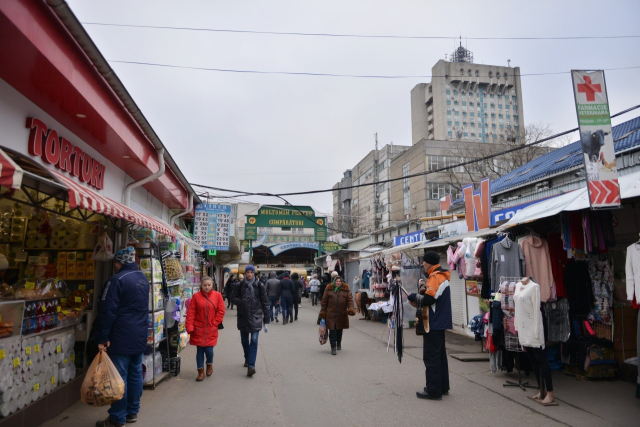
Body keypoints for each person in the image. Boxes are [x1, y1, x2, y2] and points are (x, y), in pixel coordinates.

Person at [94, 247, 149, 427]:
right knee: (135, 375)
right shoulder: (143, 278)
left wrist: (102, 337)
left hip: (120, 336)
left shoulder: (117, 280)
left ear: (118, 262)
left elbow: (107, 311)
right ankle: (132, 412)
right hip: (139, 335)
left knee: (119, 378)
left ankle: (117, 418)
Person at [408, 251, 452, 401]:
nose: (423, 264)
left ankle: (433, 390)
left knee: (431, 357)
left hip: (433, 322)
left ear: (430, 262)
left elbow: (429, 299)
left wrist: (413, 297)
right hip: (440, 321)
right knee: (440, 357)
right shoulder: (442, 276)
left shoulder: (435, 277)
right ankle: (442, 386)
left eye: (424, 262)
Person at [230, 265, 269, 377]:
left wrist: (266, 318)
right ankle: (247, 357)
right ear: (245, 273)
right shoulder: (239, 285)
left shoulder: (259, 285)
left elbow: (265, 302)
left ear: (254, 274)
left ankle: (251, 365)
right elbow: (232, 297)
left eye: (251, 272)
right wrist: (241, 301)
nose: (249, 274)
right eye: (247, 272)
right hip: (243, 316)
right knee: (244, 340)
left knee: (255, 339)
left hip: (256, 315)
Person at [185, 276, 225, 381]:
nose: (206, 287)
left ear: (212, 285)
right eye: (204, 285)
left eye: (209, 285)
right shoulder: (196, 297)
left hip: (211, 329)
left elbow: (221, 311)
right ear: (201, 286)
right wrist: (189, 326)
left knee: (209, 350)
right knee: (199, 351)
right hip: (198, 328)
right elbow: (191, 312)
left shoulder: (217, 296)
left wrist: (215, 322)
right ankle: (200, 371)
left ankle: (209, 364)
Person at [318, 276, 356, 355]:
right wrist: (323, 312)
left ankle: (338, 343)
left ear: (341, 282)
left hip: (341, 313)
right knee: (332, 330)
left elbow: (349, 300)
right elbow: (324, 301)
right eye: (337, 281)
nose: (338, 282)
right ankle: (333, 347)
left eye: (339, 281)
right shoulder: (329, 289)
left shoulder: (346, 290)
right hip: (330, 313)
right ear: (334, 282)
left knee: (339, 330)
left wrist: (351, 308)